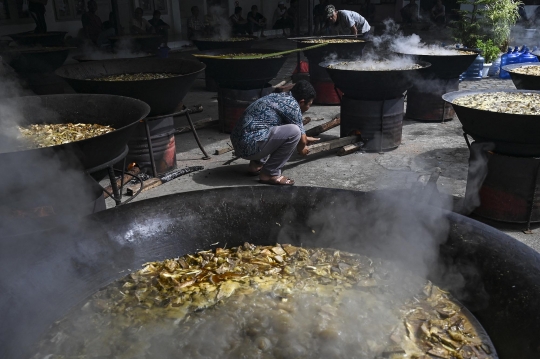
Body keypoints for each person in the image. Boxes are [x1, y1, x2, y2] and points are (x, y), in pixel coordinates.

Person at [230, 80, 319, 186]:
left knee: (268, 125)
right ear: (302, 102)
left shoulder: (278, 96)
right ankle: (270, 174)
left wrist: (304, 138)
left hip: (238, 143)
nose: (308, 108)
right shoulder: (293, 106)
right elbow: (301, 139)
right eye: (309, 104)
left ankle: (255, 165)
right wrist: (302, 149)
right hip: (249, 147)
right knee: (294, 132)